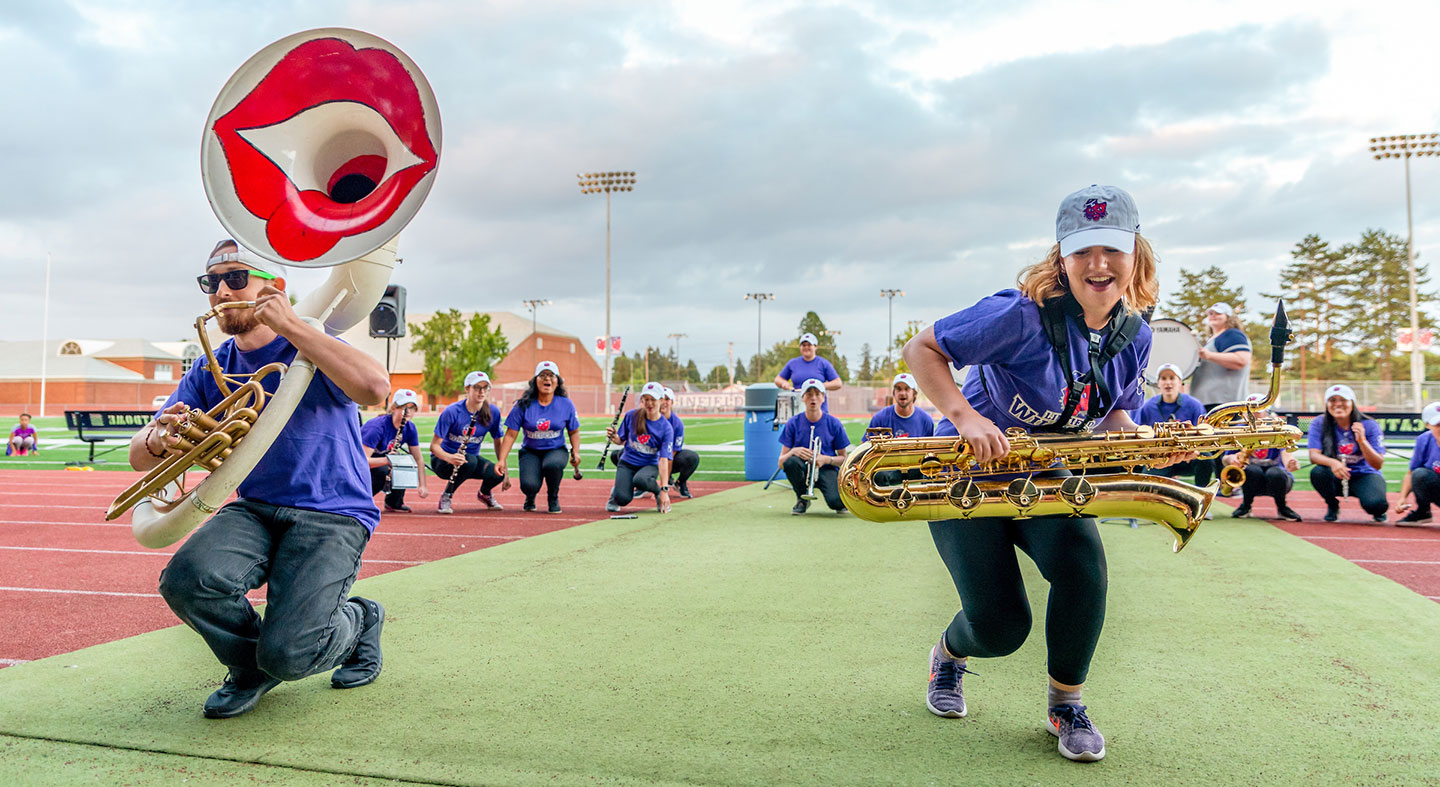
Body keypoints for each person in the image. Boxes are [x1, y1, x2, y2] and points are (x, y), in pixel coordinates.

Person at [903, 185, 1187, 763]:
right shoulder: (1019, 314)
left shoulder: (1136, 333)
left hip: (1045, 475)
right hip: (965, 476)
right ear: (1061, 258)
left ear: (1137, 254)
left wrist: (1136, 439)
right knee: (1002, 628)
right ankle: (949, 656)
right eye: (1082, 251)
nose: (1098, 265)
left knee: (1085, 570)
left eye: (1112, 249)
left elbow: (1108, 410)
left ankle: (1066, 702)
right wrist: (964, 416)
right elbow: (922, 349)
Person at [131, 239, 390, 719]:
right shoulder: (211, 364)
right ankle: (251, 668)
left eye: (235, 278)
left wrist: (292, 324)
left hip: (332, 514)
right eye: (212, 282)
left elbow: (375, 388)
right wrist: (160, 437)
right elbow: (137, 458)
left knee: (292, 654)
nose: (221, 292)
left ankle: (359, 619)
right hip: (255, 507)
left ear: (274, 286)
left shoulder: (310, 343)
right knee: (186, 581)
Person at [496, 361, 582, 514]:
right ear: (535, 381)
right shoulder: (523, 405)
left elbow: (574, 431)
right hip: (531, 451)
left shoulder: (566, 404)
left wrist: (576, 451)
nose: (546, 379)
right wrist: (502, 460)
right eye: (542, 375)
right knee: (529, 485)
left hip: (556, 449)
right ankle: (530, 496)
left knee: (552, 464)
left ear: (557, 382)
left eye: (551, 376)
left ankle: (553, 497)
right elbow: (510, 435)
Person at [1188, 303, 1252, 492]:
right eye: (1210, 312)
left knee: (1218, 447)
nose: (1213, 315)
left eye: (1218, 313)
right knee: (1213, 448)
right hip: (1213, 401)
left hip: (1223, 401)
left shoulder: (1231, 334)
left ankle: (1226, 487)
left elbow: (1241, 359)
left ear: (1229, 317)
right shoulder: (1215, 338)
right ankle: (1219, 488)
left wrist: (1208, 355)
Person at [1308, 384, 1387, 523]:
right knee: (1318, 472)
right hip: (1336, 474)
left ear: (1352, 403)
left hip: (1364, 474)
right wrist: (1333, 463)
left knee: (1377, 505)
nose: (1338, 404)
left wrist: (1362, 441)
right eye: (1332, 400)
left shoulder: (1369, 424)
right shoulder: (1319, 423)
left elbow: (1378, 464)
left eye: (1343, 400)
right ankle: (1332, 505)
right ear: (1327, 404)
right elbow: (1313, 456)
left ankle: (1373, 504)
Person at [429, 371, 505, 515]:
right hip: (444, 461)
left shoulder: (493, 412)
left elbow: (498, 441)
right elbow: (434, 447)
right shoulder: (452, 411)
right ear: (467, 389)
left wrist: (502, 463)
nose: (481, 392)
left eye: (485, 387)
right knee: (469, 461)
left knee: (498, 473)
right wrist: (450, 457)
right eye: (477, 387)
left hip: (470, 460)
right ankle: (447, 496)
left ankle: (485, 493)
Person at [1222, 397, 1302, 522]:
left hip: (1278, 480)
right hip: (1251, 479)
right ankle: (1246, 505)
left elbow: (1286, 454)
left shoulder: (1277, 429)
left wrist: (1291, 463)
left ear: (1267, 413)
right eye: (1249, 411)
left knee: (1275, 472)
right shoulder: (1238, 430)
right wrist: (1231, 458)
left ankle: (1282, 507)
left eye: (1257, 411)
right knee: (1252, 470)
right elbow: (1225, 458)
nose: (1253, 415)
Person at [778, 378, 850, 515]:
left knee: (837, 503)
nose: (813, 398)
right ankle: (802, 498)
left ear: (823, 398)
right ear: (803, 398)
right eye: (809, 394)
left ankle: (833, 494)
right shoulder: (793, 423)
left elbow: (844, 459)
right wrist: (793, 451)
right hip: (803, 469)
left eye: (817, 394)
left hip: (826, 468)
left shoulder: (834, 423)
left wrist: (826, 459)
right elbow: (781, 463)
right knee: (791, 462)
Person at [1136, 363, 1213, 488]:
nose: (1168, 383)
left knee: (1206, 458)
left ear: (1180, 382)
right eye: (1164, 378)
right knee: (1146, 484)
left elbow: (1204, 434)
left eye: (1172, 378)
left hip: (1188, 456)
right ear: (1158, 383)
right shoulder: (1147, 406)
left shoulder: (1194, 405)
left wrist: (1193, 451)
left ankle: (1202, 494)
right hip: (1161, 457)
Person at [604, 382, 675, 513]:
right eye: (646, 399)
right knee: (623, 498)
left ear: (661, 401)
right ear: (642, 400)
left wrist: (664, 489)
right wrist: (614, 437)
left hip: (649, 465)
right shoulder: (632, 416)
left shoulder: (666, 428)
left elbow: (664, 459)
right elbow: (621, 441)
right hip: (627, 462)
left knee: (641, 479)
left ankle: (657, 493)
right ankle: (617, 493)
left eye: (653, 400)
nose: (649, 403)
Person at [360, 389, 429, 513]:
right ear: (393, 408)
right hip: (356, 461)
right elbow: (361, 460)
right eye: (403, 407)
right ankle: (360, 501)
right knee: (383, 470)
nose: (408, 412)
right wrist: (388, 460)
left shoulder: (410, 428)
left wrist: (423, 485)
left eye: (412, 408)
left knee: (404, 462)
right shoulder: (376, 428)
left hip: (379, 459)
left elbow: (418, 458)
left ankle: (394, 502)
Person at [1394, 401, 1440, 526]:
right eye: (1438, 425)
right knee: (1420, 474)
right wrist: (1402, 498)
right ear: (1428, 425)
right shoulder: (1423, 440)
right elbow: (1411, 473)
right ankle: (1423, 512)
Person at [775, 332, 841, 412]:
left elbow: (838, 383)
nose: (806, 347)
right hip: (797, 407)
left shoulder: (823, 363)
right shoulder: (793, 363)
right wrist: (783, 383)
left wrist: (819, 386)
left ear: (816, 347)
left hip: (819, 409)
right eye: (803, 345)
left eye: (809, 345)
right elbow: (778, 379)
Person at [865, 373, 935, 439]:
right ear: (894, 393)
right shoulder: (879, 419)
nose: (902, 393)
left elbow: (931, 449)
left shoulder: (926, 421)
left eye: (907, 389)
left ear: (914, 393)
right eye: (898, 389)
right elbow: (865, 446)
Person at [661, 387, 700, 498]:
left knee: (691, 457)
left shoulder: (677, 424)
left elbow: (671, 454)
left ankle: (680, 483)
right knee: (618, 455)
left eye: (667, 399)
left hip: (667, 458)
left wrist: (664, 483)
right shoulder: (648, 418)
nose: (663, 402)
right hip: (650, 457)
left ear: (672, 402)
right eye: (661, 399)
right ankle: (641, 485)